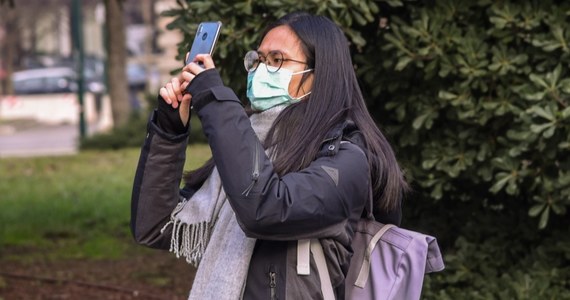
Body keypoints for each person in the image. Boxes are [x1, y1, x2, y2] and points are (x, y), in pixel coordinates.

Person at [131, 11, 408, 300]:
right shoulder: (249, 144)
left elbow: (266, 208)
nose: (262, 70)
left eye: (277, 60)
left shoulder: (347, 159)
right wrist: (169, 128)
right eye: (259, 60)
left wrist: (214, 99)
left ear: (319, 75)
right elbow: (156, 225)